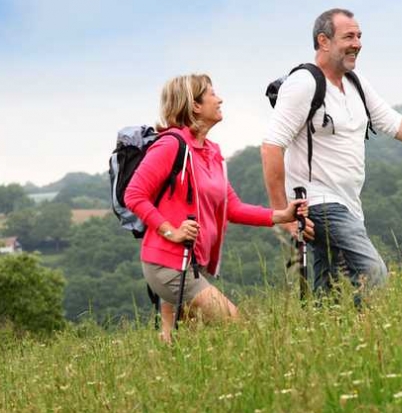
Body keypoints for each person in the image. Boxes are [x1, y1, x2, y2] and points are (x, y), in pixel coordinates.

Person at [261, 8, 402, 300]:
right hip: (320, 203)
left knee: (331, 292)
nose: (358, 43)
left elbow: (394, 123)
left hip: (350, 204)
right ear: (324, 41)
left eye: (359, 36)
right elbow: (272, 146)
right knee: (373, 273)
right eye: (349, 36)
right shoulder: (303, 84)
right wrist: (282, 215)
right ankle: (374, 334)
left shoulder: (355, 82)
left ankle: (333, 339)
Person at [125, 73, 307, 343]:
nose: (219, 99)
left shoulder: (211, 151)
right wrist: (170, 231)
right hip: (169, 264)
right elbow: (134, 195)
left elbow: (231, 207)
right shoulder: (170, 145)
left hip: (193, 264)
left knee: (185, 345)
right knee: (240, 327)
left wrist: (281, 215)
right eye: (211, 94)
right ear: (195, 105)